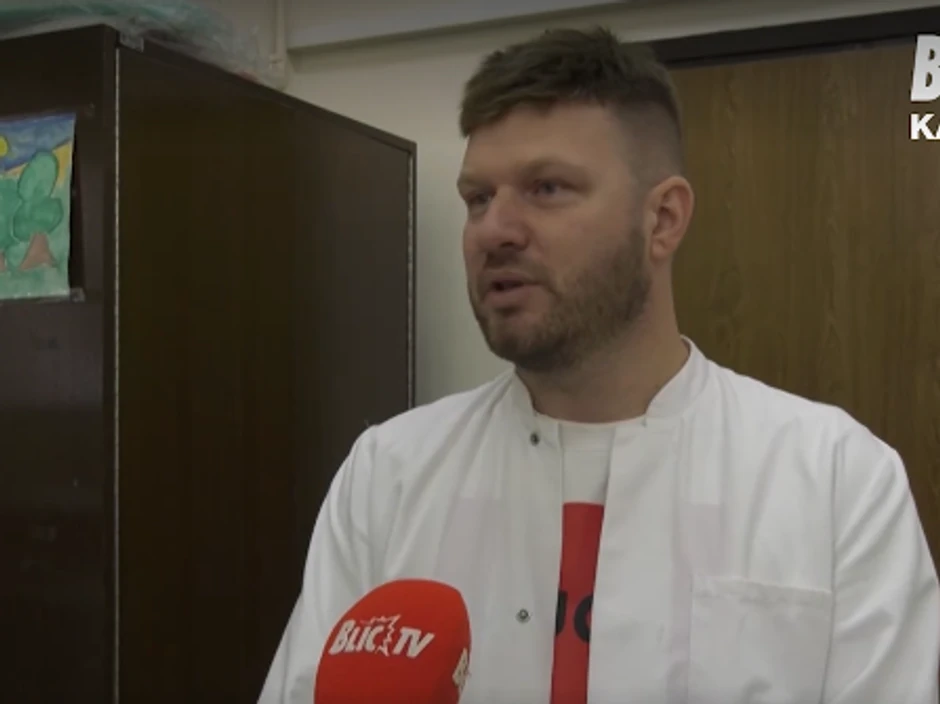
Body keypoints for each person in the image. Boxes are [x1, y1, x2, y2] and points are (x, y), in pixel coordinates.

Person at [258, 26, 940, 704]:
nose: (495, 230)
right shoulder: (389, 476)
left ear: (663, 220)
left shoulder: (836, 480)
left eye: (547, 188)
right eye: (478, 198)